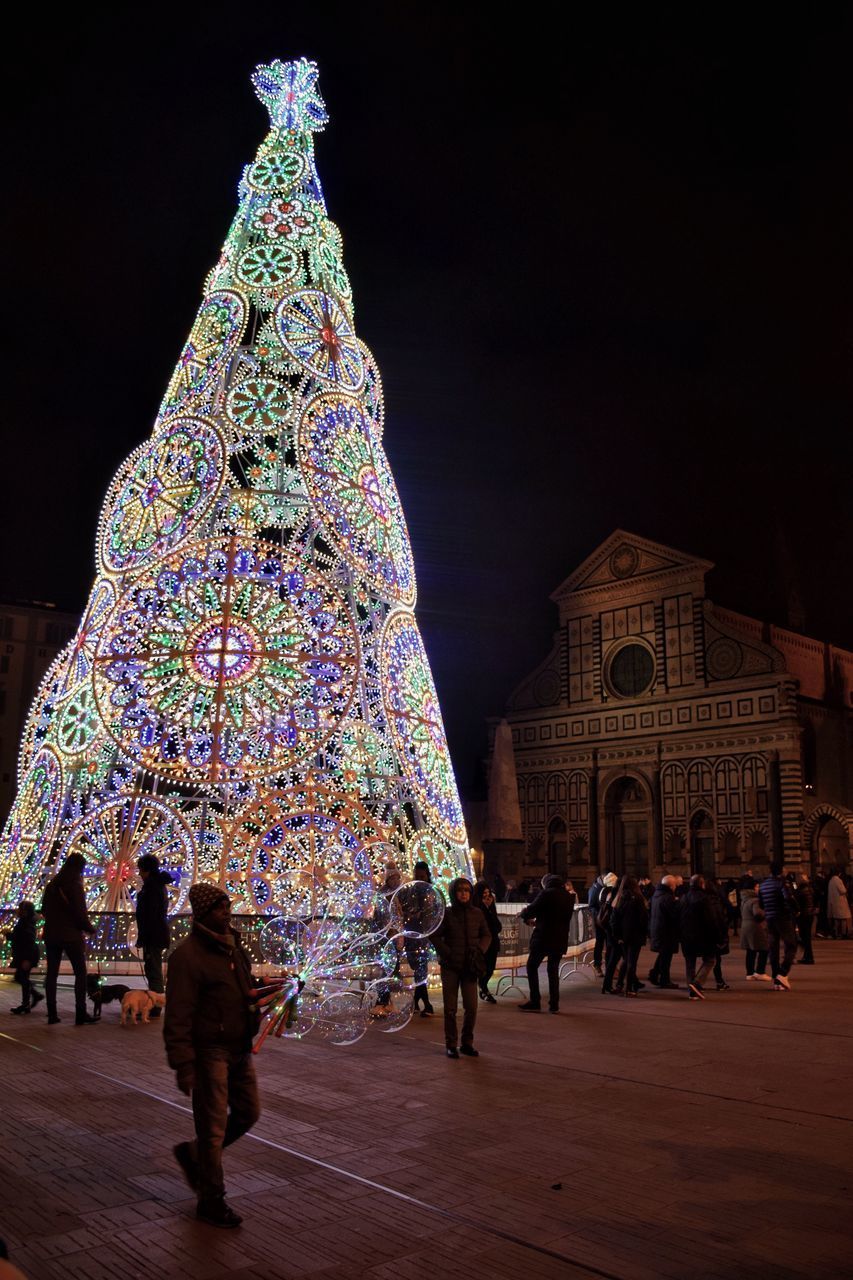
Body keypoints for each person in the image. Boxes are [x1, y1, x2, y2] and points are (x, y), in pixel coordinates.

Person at [164, 883, 260, 1228]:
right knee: (213, 1129)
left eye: (228, 906)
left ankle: (194, 1156)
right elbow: (177, 1015)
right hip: (210, 1051)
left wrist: (276, 992)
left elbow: (246, 989)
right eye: (220, 908)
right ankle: (212, 1199)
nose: (227, 912)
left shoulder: (232, 947)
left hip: (239, 1047)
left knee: (249, 1112)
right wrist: (183, 1064)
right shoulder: (187, 957)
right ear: (204, 914)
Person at [432, 877, 491, 1058]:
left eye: (467, 890)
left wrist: (479, 951)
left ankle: (467, 1042)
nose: (464, 894)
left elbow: (486, 935)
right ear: (454, 893)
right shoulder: (447, 914)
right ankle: (451, 1043)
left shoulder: (477, 913)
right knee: (450, 1008)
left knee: (471, 1007)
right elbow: (434, 936)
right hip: (451, 966)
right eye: (460, 890)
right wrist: (447, 953)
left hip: (469, 967)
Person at [41, 852, 96, 1025]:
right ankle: (80, 1012)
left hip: (51, 934)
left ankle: (51, 1014)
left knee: (52, 974)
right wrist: (89, 928)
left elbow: (43, 909)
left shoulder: (52, 885)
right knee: (80, 974)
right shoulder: (74, 885)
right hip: (71, 935)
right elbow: (80, 912)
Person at [518, 873, 574, 1013]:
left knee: (532, 966)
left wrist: (524, 914)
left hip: (543, 938)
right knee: (553, 971)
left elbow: (532, 909)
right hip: (560, 938)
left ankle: (535, 1000)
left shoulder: (546, 894)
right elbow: (558, 917)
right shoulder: (568, 896)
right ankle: (554, 1004)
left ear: (545, 884)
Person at [135, 853, 174, 1014]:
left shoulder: (152, 888)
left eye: (141, 870)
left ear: (147, 870)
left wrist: (142, 937)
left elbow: (149, 916)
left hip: (153, 935)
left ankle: (156, 1006)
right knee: (153, 969)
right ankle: (155, 1004)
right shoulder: (157, 885)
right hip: (157, 933)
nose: (139, 874)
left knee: (153, 970)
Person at [679, 874, 719, 1000]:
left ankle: (691, 990)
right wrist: (716, 935)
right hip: (703, 936)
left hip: (686, 935)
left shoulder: (684, 898)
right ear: (702, 884)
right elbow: (711, 919)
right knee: (710, 960)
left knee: (690, 963)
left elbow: (678, 916)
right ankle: (696, 984)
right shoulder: (704, 898)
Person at [610, 875, 649, 997]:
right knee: (632, 962)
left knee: (626, 960)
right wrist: (645, 932)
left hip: (623, 935)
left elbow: (614, 920)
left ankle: (620, 985)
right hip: (635, 935)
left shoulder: (619, 898)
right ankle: (630, 988)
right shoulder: (638, 898)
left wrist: (618, 935)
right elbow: (643, 918)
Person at [407, 860, 435, 1016]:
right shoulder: (411, 891)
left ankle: (427, 1005)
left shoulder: (431, 892)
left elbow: (434, 912)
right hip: (412, 935)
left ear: (427, 875)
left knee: (420, 970)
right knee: (418, 969)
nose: (418, 878)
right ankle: (416, 1003)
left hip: (424, 937)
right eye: (416, 875)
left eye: (422, 876)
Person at [7, 901, 43, 1014]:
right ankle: (30, 1000)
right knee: (21, 976)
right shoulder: (26, 922)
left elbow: (28, 940)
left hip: (27, 955)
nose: (18, 910)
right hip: (26, 954)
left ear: (25, 911)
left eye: (20, 908)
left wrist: (27, 959)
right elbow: (21, 937)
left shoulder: (26, 923)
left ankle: (28, 1002)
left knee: (21, 977)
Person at [648, 875, 680, 988]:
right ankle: (665, 980)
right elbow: (674, 914)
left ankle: (654, 974)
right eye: (675, 885)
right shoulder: (668, 897)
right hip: (666, 931)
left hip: (658, 929)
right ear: (671, 886)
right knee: (666, 957)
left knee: (663, 954)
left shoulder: (657, 895)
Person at [472, 881, 502, 1002]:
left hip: (493, 942)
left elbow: (497, 926)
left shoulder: (490, 906)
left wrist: (489, 909)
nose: (487, 896)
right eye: (484, 893)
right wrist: (486, 909)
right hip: (482, 944)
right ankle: (484, 989)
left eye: (488, 893)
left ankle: (483, 987)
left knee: (490, 968)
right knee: (481, 968)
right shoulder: (476, 908)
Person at [739, 876, 770, 981]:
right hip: (756, 927)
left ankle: (750, 973)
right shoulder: (755, 900)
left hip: (745, 926)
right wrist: (766, 912)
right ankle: (760, 971)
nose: (759, 888)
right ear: (752, 888)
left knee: (750, 950)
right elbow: (757, 914)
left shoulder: (744, 899)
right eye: (757, 887)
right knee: (764, 948)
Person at [598, 872, 621, 994]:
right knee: (614, 955)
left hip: (607, 926)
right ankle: (611, 982)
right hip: (611, 928)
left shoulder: (603, 891)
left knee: (611, 952)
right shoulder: (611, 893)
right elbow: (613, 913)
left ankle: (609, 982)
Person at [706, 877, 731, 991]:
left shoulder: (703, 899)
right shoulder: (715, 902)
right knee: (714, 960)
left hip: (705, 934)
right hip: (714, 934)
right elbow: (719, 920)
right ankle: (718, 981)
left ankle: (718, 981)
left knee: (710, 959)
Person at [589, 870, 615, 978]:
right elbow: (591, 906)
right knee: (599, 942)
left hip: (608, 920)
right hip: (599, 920)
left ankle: (610, 966)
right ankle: (597, 964)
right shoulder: (595, 889)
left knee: (610, 943)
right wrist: (600, 915)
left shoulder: (607, 887)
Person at [794, 873, 816, 964]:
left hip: (804, 915)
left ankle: (809, 957)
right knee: (806, 936)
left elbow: (796, 901)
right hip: (809, 914)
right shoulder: (810, 888)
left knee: (805, 937)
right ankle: (807, 956)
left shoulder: (801, 890)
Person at [827, 869, 852, 938]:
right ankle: (843, 934)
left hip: (833, 903)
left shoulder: (831, 880)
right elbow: (843, 890)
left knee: (836, 919)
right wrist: (846, 889)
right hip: (840, 902)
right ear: (839, 873)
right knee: (843, 919)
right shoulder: (838, 880)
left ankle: (836, 933)